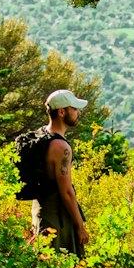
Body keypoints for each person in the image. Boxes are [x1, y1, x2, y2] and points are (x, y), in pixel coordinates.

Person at [31, 88, 89, 256]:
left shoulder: (42, 134)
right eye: (74, 109)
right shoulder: (61, 147)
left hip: (40, 211)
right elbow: (66, 192)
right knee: (61, 267)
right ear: (62, 112)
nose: (78, 113)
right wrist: (80, 227)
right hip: (56, 218)